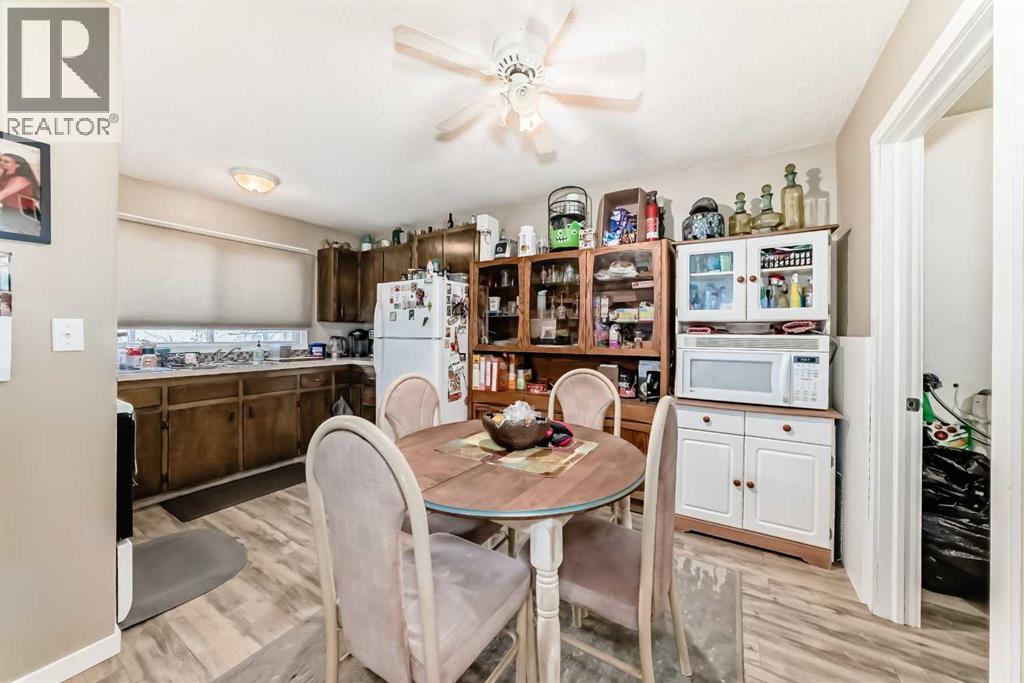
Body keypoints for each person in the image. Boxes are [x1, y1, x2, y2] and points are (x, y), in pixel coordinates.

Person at [0, 153, 41, 223]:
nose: (1, 163)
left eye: (6, 162)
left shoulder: (21, 179)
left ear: (17, 165)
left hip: (20, 217)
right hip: (8, 213)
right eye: (0, 160)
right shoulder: (7, 178)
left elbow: (3, 194)